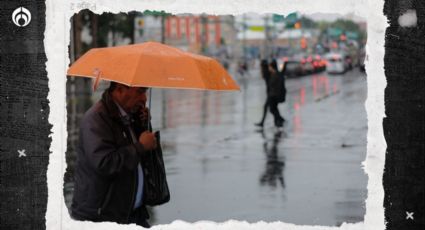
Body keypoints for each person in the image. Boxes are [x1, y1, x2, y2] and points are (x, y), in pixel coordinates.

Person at [71, 82, 157, 228]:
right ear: (120, 90)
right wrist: (141, 146)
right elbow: (105, 163)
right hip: (102, 217)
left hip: (131, 214)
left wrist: (141, 125)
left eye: (145, 92)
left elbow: (137, 157)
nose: (144, 98)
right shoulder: (96, 119)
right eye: (140, 92)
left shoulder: (128, 115)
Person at [267, 60, 286, 127]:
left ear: (272, 67)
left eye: (269, 67)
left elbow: (279, 86)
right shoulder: (272, 74)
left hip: (274, 95)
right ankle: (278, 121)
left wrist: (278, 95)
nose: (268, 68)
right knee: (274, 109)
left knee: (273, 109)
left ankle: (279, 120)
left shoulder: (277, 75)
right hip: (272, 95)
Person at [255, 59, 271, 127]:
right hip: (270, 92)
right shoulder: (268, 71)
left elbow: (263, 77)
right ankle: (280, 120)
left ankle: (262, 122)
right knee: (273, 109)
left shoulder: (266, 72)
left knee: (267, 107)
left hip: (271, 93)